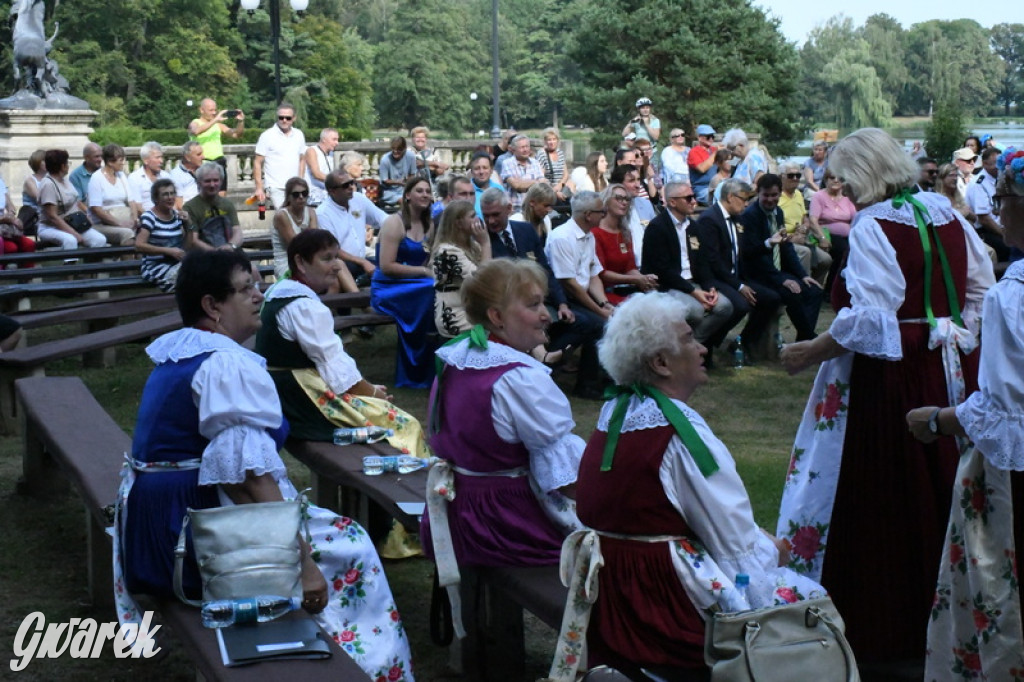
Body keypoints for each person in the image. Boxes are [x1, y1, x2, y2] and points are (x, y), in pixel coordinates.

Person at [115, 249, 415, 680]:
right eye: (245, 289)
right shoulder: (224, 364)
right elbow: (248, 480)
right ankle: (366, 670)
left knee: (340, 534)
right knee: (351, 545)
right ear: (212, 306)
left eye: (257, 284)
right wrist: (303, 565)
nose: (259, 295)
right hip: (187, 538)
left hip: (154, 525)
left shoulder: (181, 354)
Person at [776, 128, 994, 669]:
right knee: (944, 477)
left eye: (847, 175)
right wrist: (952, 336)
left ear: (866, 171)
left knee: (884, 488)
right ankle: (950, 606)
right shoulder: (943, 211)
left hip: (891, 378)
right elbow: (980, 292)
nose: (842, 186)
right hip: (948, 366)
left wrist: (810, 351)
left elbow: (870, 321)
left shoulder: (874, 223)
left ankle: (887, 622)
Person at [557, 292, 825, 681]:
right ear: (660, 363)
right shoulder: (678, 432)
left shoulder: (616, 412)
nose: (701, 347)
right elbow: (732, 537)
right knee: (812, 604)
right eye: (688, 339)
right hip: (659, 602)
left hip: (613, 591)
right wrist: (774, 551)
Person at [906, 150, 1024, 680]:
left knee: (1002, 593)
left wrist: (935, 419)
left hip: (1015, 471)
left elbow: (1001, 411)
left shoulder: (1013, 295)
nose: (996, 214)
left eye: (1002, 201)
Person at [421, 258, 584, 629]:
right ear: (496, 316)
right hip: (502, 522)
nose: (546, 315)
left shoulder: (457, 357)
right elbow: (567, 481)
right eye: (532, 305)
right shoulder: (518, 378)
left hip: (458, 510)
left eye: (543, 303)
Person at [255, 229, 429, 456]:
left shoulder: (280, 290)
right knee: (406, 426)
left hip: (284, 395)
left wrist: (370, 389)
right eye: (327, 258)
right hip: (302, 403)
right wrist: (376, 395)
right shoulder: (304, 306)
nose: (337, 265)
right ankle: (415, 486)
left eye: (337, 256)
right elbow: (338, 370)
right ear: (300, 262)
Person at [642, 182, 734, 356]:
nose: (694, 201)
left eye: (693, 197)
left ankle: (690, 346)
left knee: (725, 307)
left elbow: (702, 262)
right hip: (668, 285)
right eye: (688, 198)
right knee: (695, 310)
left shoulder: (693, 227)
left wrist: (709, 287)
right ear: (672, 202)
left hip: (693, 283)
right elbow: (663, 270)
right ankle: (681, 350)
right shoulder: (657, 228)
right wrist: (694, 292)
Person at [739, 173, 823, 343]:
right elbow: (751, 254)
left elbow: (787, 248)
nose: (770, 199)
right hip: (756, 273)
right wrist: (780, 280)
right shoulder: (750, 216)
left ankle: (804, 336)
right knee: (791, 292)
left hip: (775, 270)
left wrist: (802, 275)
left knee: (814, 290)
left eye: (774, 195)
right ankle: (808, 338)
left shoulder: (778, 212)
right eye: (766, 195)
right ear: (758, 193)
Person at [371, 177, 437, 388]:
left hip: (416, 285)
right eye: (419, 190)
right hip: (388, 285)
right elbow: (387, 266)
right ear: (407, 195)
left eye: (428, 191)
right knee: (429, 289)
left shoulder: (430, 224)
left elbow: (430, 260)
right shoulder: (394, 222)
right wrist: (423, 272)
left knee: (437, 289)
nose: (425, 194)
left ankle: (430, 366)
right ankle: (413, 371)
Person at [431, 200, 491, 337]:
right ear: (458, 223)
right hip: (456, 316)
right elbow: (483, 280)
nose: (478, 219)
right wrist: (486, 244)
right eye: (472, 216)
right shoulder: (447, 251)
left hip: (472, 309)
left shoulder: (472, 246)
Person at [317, 170, 388, 285]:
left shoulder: (358, 199)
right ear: (332, 191)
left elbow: (383, 218)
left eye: (352, 183)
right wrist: (362, 262)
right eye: (345, 185)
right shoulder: (323, 213)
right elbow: (333, 249)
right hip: (341, 266)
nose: (351, 187)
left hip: (361, 260)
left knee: (389, 267)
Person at [593, 183, 657, 304]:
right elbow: (602, 273)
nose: (624, 202)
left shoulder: (624, 232)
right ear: (606, 201)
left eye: (626, 199)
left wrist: (645, 279)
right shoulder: (595, 233)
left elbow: (630, 267)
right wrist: (636, 279)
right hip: (605, 293)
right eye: (618, 198)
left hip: (627, 288)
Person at [37, 149, 107, 249]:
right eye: (67, 163)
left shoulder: (65, 180)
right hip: (51, 227)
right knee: (70, 240)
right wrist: (73, 233)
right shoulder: (48, 184)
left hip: (74, 223)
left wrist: (87, 215)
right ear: (62, 166)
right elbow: (52, 217)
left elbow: (76, 201)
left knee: (99, 239)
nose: (68, 165)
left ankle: (92, 264)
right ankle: (70, 264)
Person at [778, 161, 832, 285]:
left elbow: (805, 218)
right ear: (782, 177)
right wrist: (791, 237)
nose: (796, 178)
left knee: (826, 259)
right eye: (791, 176)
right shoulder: (776, 196)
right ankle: (804, 290)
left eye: (798, 175)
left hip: (801, 236)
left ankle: (816, 288)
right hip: (784, 239)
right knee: (805, 253)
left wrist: (804, 227)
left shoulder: (798, 194)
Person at [809, 170, 857, 294]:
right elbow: (813, 220)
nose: (836, 180)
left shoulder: (847, 198)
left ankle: (846, 290)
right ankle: (831, 290)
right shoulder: (819, 196)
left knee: (856, 249)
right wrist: (822, 238)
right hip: (827, 236)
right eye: (832, 177)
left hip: (847, 236)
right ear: (826, 180)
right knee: (843, 250)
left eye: (839, 178)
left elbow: (856, 218)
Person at [135, 178, 187, 292]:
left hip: (177, 264)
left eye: (172, 193)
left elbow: (187, 245)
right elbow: (139, 245)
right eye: (165, 194)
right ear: (156, 199)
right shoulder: (149, 217)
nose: (170, 197)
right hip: (155, 266)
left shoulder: (177, 216)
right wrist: (168, 251)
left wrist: (189, 225)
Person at [253, 103, 306, 209]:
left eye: (288, 118)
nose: (284, 120)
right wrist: (259, 188)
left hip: (294, 187)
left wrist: (300, 181)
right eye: (281, 117)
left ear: (294, 118)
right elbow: (257, 162)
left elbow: (302, 160)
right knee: (284, 216)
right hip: (275, 186)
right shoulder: (267, 136)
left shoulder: (299, 135)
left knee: (294, 218)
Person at [183, 163, 244, 252]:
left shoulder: (227, 204)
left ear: (221, 181)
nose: (212, 185)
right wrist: (216, 252)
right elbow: (193, 239)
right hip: (203, 254)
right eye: (207, 181)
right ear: (199, 182)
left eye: (216, 180)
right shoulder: (190, 207)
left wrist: (231, 246)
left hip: (228, 251)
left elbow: (237, 231)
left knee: (250, 266)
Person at [87, 143, 139, 246]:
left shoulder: (121, 176)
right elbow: (96, 209)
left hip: (124, 218)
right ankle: (128, 262)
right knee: (128, 234)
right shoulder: (96, 178)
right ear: (110, 162)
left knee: (145, 230)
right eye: (121, 160)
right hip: (103, 224)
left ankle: (141, 261)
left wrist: (134, 219)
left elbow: (131, 201)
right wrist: (120, 224)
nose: (123, 163)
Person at [272, 176, 323, 280]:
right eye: (296, 194)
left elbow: (315, 241)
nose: (301, 197)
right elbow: (295, 246)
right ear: (288, 197)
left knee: (335, 271)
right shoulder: (282, 215)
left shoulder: (311, 212)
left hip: (307, 259)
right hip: (287, 262)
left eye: (304, 193)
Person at [188, 98, 245, 191]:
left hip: (219, 163)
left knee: (221, 196)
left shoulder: (218, 125)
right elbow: (196, 131)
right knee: (205, 195)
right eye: (211, 110)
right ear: (201, 110)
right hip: (203, 164)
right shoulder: (195, 122)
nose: (214, 113)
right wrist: (215, 120)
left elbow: (237, 134)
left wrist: (241, 121)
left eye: (215, 110)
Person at [500, 134, 545, 213]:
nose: (525, 150)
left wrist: (522, 182)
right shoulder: (507, 163)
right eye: (522, 147)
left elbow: (543, 184)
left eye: (527, 146)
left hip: (533, 208)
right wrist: (535, 182)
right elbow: (516, 185)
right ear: (514, 150)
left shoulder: (535, 162)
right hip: (515, 209)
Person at [129, 141, 171, 212]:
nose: (161, 161)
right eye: (157, 157)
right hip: (147, 218)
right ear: (146, 161)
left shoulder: (166, 176)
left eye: (161, 157)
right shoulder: (134, 178)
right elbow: (137, 207)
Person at [378, 136, 418, 206]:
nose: (395, 152)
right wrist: (399, 182)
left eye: (399, 149)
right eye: (393, 149)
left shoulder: (411, 156)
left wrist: (408, 181)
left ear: (404, 148)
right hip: (388, 191)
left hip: (404, 188)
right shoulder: (385, 159)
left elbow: (412, 174)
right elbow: (385, 180)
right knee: (405, 202)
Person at [304, 128, 339, 207]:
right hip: (314, 194)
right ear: (324, 139)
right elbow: (316, 174)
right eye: (334, 139)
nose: (337, 143)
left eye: (337, 140)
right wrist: (337, 181)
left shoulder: (332, 153)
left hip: (328, 192)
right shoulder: (312, 151)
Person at [535, 127, 569, 203]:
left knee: (572, 185)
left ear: (557, 140)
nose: (552, 142)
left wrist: (560, 185)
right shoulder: (541, 154)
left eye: (554, 139)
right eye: (549, 140)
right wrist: (555, 191)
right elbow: (541, 178)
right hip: (549, 189)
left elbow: (566, 174)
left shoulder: (560, 153)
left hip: (561, 186)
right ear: (545, 141)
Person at [688, 124, 718, 205]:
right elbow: (702, 169)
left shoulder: (713, 150)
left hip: (716, 186)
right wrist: (715, 154)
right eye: (708, 137)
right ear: (699, 138)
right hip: (703, 189)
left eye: (712, 136)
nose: (711, 139)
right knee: (719, 198)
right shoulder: (694, 152)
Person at [468, 152, 504, 219]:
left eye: (485, 168)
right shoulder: (466, 191)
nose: (481, 172)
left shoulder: (499, 189)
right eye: (477, 168)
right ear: (472, 171)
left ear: (491, 170)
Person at [170, 140, 204, 207]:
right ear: (187, 157)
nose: (203, 157)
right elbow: (179, 206)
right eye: (199, 154)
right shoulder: (176, 175)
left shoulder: (204, 171)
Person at [69, 142, 102, 208]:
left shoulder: (104, 172)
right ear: (87, 158)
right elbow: (78, 202)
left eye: (101, 156)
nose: (100, 159)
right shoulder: (75, 176)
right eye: (96, 156)